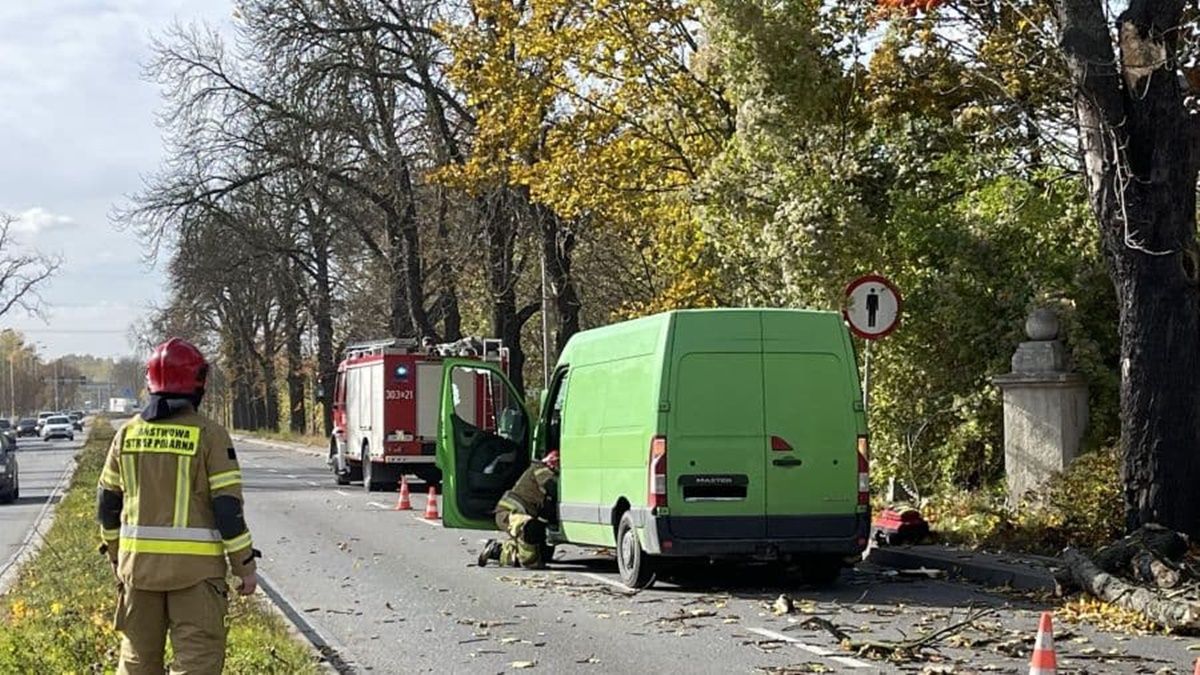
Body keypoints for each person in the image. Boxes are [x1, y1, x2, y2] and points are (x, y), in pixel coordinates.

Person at [96, 337, 260, 674]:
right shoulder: (210, 435)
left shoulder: (126, 435)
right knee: (196, 665)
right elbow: (228, 511)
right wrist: (244, 567)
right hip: (196, 578)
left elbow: (107, 504)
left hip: (137, 573)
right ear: (197, 384)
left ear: (151, 383)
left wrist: (116, 555)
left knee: (137, 664)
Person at [478, 451, 559, 569]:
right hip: (509, 514)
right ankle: (528, 561)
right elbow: (553, 486)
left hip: (523, 514)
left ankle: (497, 551)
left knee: (544, 555)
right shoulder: (540, 469)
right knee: (530, 529)